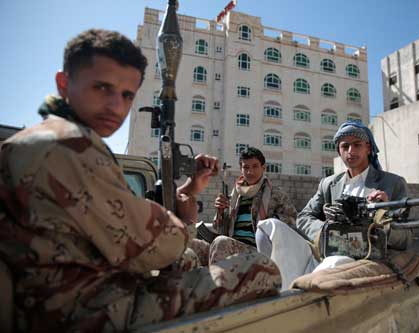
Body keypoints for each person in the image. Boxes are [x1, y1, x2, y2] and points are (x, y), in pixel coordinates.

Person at [0, 29, 280, 332]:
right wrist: (185, 215)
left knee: (192, 255)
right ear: (64, 84)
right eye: (102, 88)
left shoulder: (40, 140)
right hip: (88, 309)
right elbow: (156, 248)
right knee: (261, 269)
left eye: (126, 95)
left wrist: (186, 193)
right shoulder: (70, 146)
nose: (115, 106)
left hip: (78, 287)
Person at [255, 121, 413, 289]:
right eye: (345, 146)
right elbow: (304, 217)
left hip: (360, 258)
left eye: (357, 145)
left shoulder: (392, 183)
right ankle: (276, 290)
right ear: (339, 151)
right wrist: (328, 231)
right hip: (324, 248)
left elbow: (407, 236)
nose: (351, 151)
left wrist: (383, 214)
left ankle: (296, 297)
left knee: (334, 262)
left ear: (368, 148)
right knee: (267, 227)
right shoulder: (329, 184)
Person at [204, 147, 297, 264]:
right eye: (246, 167)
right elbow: (219, 229)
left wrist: (268, 225)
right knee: (195, 246)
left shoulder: (276, 195)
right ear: (241, 169)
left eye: (255, 166)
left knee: (221, 243)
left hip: (260, 251)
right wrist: (220, 211)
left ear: (263, 168)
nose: (250, 172)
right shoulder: (235, 195)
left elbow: (291, 222)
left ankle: (216, 282)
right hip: (232, 245)